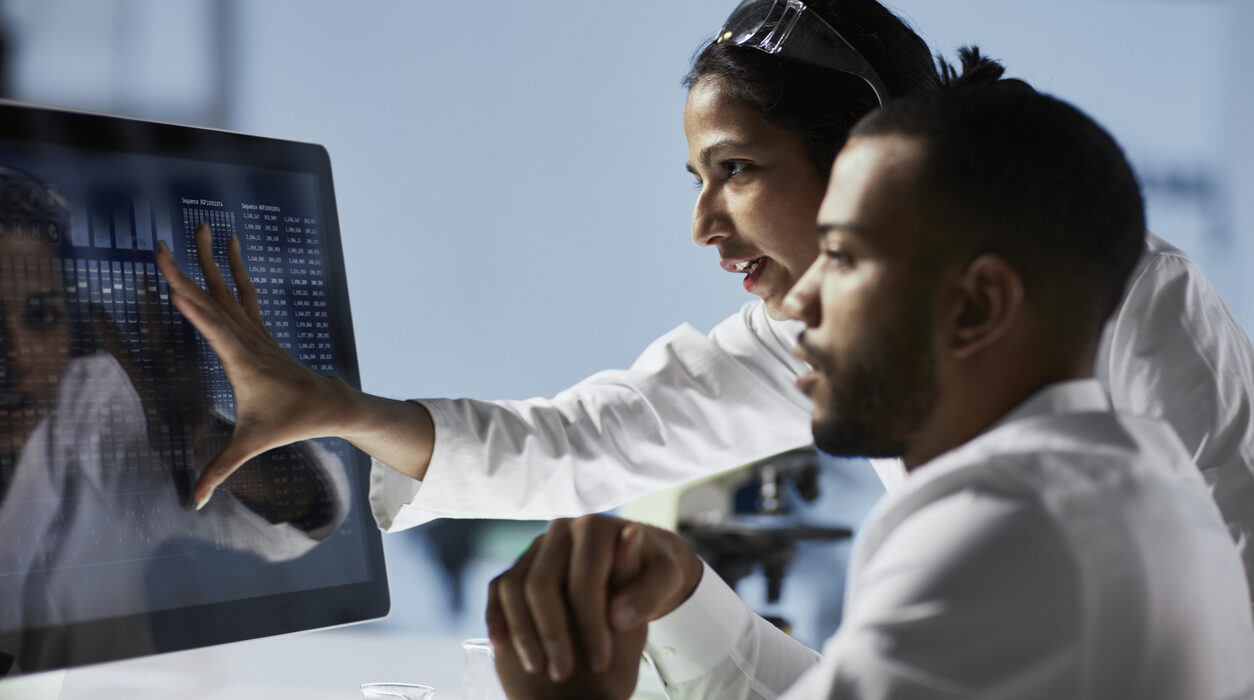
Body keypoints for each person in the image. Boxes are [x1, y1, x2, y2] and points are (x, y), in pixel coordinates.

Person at [156, 0, 1254, 606]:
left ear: (866, 157)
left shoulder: (1122, 296)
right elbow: (578, 441)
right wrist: (336, 410)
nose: (704, 226)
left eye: (735, 170)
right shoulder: (811, 331)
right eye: (696, 180)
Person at [484, 57, 1254, 700]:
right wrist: (685, 599)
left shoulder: (1007, 532)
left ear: (979, 303)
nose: (804, 301)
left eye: (844, 258)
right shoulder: (1136, 490)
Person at [0, 167, 348, 670]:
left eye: (41, 316)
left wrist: (207, 437)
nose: (16, 356)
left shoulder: (95, 408)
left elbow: (306, 509)